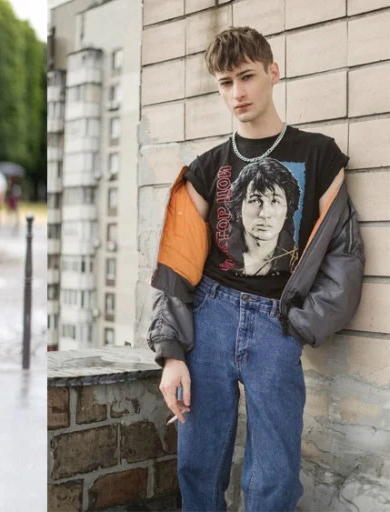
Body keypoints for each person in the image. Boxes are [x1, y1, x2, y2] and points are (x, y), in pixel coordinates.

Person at [147, 27, 364, 511]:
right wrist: (171, 353)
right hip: (209, 318)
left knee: (276, 476)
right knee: (198, 467)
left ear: (273, 72)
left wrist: (302, 324)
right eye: (225, 83)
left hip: (277, 323)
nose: (237, 93)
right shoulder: (206, 168)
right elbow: (176, 268)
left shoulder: (320, 156)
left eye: (246, 77)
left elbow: (345, 257)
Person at [227, 157, 301, 276]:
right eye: (255, 200)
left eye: (275, 201)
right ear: (239, 206)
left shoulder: (299, 261)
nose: (264, 214)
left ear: (288, 210)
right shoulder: (223, 255)